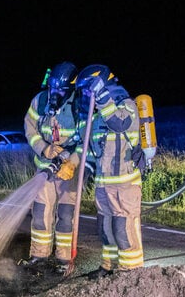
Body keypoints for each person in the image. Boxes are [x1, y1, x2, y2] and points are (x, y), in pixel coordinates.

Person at [76, 64, 144, 276]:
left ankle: (130, 272)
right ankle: (108, 267)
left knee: (123, 230)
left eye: (89, 89)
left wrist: (102, 97)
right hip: (103, 184)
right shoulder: (96, 118)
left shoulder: (127, 106)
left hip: (124, 185)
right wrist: (81, 164)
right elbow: (94, 150)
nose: (86, 95)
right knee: (105, 228)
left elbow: (119, 123)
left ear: (100, 86)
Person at [21, 61, 84, 271]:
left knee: (66, 214)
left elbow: (87, 140)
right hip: (44, 168)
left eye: (61, 90)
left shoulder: (80, 104)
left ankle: (64, 259)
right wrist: (44, 148)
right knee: (40, 211)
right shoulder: (39, 101)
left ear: (71, 89)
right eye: (53, 88)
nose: (55, 93)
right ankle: (39, 255)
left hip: (68, 171)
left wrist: (72, 163)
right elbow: (29, 128)